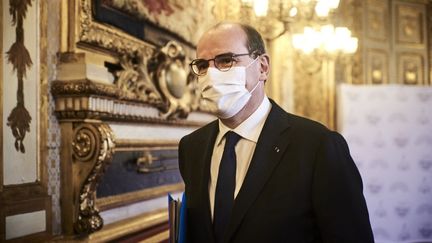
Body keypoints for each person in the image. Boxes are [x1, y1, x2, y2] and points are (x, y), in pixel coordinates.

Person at [178, 22, 374, 243]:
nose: (211, 75)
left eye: (226, 61)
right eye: (203, 65)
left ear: (262, 67)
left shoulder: (318, 145)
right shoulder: (191, 146)